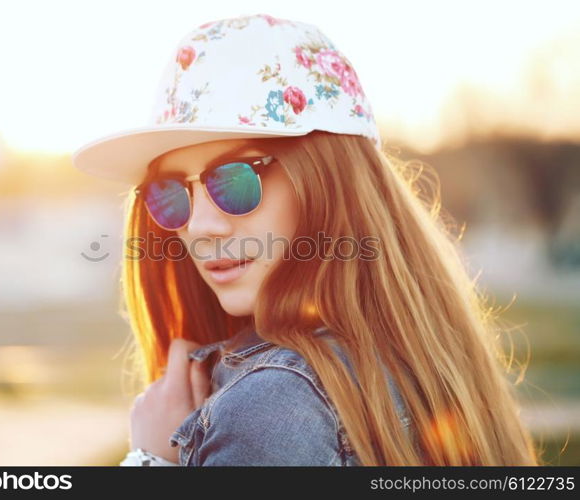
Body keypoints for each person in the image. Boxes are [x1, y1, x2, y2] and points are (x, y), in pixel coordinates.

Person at [72, 13, 539, 466]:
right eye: (169, 194)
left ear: (327, 181)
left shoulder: (269, 406)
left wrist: (149, 461)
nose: (199, 226)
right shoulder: (431, 360)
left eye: (234, 180)